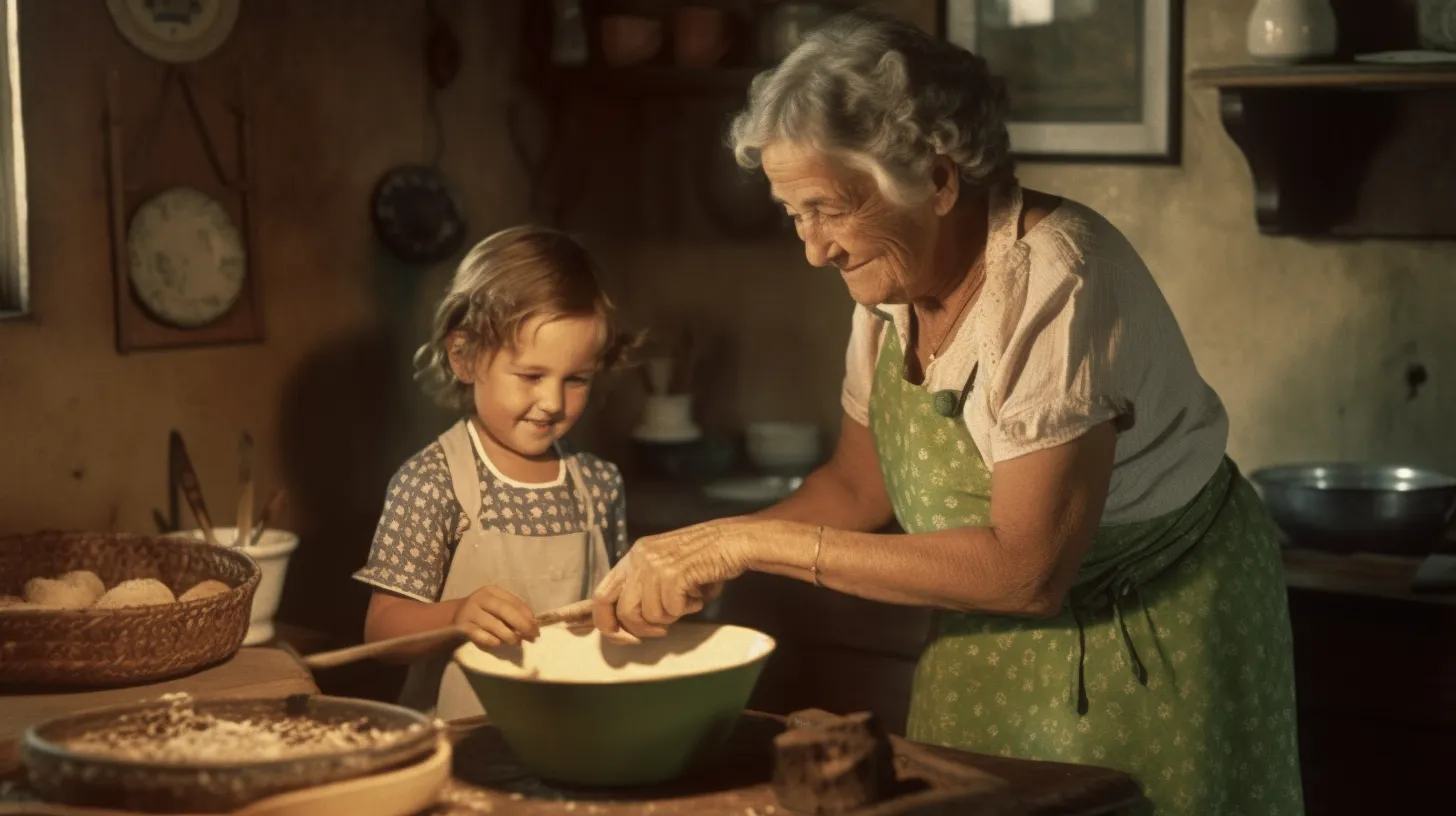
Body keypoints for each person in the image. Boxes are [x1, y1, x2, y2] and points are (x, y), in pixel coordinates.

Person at [589, 11, 1303, 814]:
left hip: (1156, 625)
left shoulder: (1056, 280)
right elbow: (859, 490)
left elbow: (1025, 570)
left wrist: (746, 539)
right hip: (991, 630)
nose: (813, 249)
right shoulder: (890, 287)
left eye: (828, 208)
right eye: (796, 214)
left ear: (936, 179)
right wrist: (705, 555)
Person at [354, 225, 637, 720]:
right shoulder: (431, 484)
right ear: (463, 357)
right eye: (530, 376)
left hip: (580, 730)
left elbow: (612, 617)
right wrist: (456, 616)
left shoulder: (599, 484)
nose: (552, 403)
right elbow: (381, 635)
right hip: (462, 743)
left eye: (576, 380)